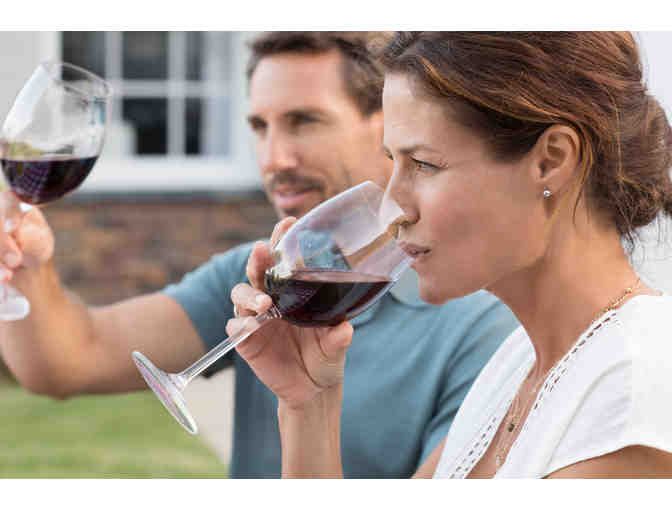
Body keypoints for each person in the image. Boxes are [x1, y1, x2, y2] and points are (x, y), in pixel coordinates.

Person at [0, 32, 519, 478]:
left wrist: (308, 405)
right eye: (259, 127)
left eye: (304, 121)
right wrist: (25, 266)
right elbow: (68, 361)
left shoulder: (486, 328)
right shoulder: (265, 275)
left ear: (388, 125)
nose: (274, 159)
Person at [229, 31, 672, 478]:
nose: (393, 208)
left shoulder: (631, 397)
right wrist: (309, 405)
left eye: (423, 164)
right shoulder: (516, 368)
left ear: (551, 161)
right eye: (393, 162)